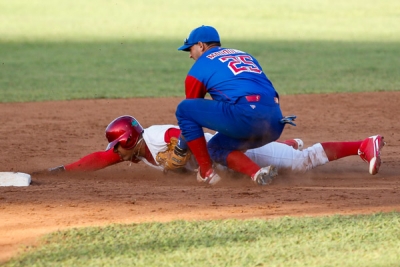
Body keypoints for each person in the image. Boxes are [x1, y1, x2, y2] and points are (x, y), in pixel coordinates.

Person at [48, 115, 385, 186]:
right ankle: (280, 147)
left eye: (116, 147)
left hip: (226, 150)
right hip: (223, 156)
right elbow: (98, 159)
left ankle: (363, 145)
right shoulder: (134, 150)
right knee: (280, 158)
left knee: (300, 163)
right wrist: (62, 172)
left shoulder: (153, 136)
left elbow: (186, 131)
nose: (114, 154)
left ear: (129, 141)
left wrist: (183, 149)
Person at [164, 25, 297, 186]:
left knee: (184, 109)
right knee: (216, 148)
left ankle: (206, 172)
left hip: (246, 116)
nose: (190, 55)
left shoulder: (199, 67)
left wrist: (180, 150)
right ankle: (258, 173)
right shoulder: (244, 55)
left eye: (190, 49)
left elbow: (190, 114)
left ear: (201, 45)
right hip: (275, 122)